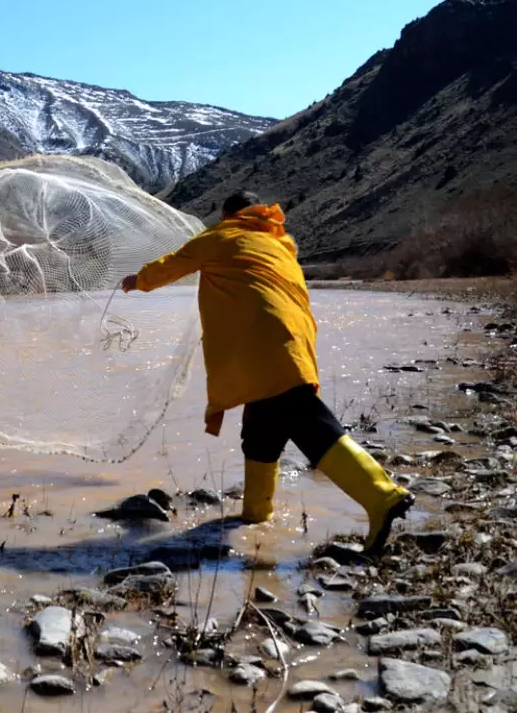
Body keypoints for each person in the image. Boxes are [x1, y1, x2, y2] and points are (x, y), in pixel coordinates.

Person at [120, 191, 414, 555]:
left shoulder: (220, 237)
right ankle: (256, 516)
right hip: (293, 342)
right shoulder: (280, 245)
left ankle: (382, 497)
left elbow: (172, 264)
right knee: (261, 432)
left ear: (229, 215)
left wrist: (138, 281)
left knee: (311, 426)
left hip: (263, 348)